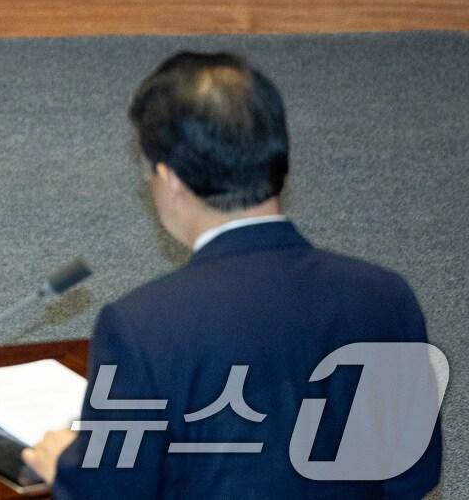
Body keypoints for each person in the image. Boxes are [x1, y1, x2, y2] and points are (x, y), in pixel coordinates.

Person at [22, 51, 443, 498]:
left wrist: (67, 465)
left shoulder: (142, 327)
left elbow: (111, 491)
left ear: (170, 178)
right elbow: (413, 474)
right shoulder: (386, 296)